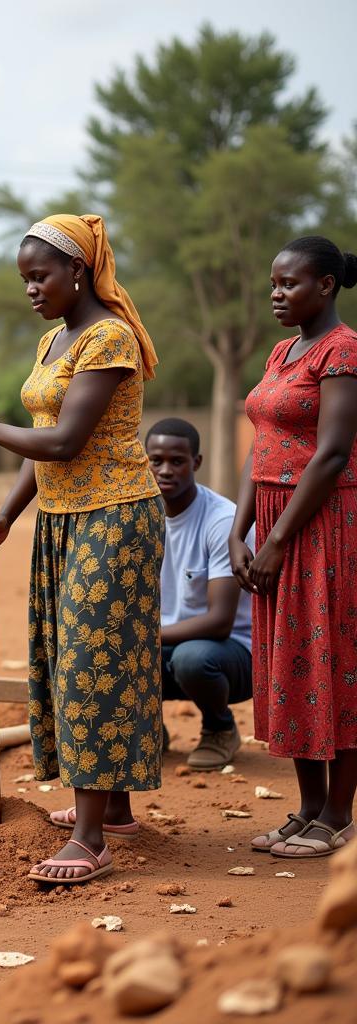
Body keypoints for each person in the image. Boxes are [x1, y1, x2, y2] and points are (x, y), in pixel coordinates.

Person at [0, 214, 163, 885]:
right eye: (25, 278)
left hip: (116, 516)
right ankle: (116, 809)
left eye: (41, 274)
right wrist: (6, 516)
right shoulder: (56, 340)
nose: (32, 288)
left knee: (90, 660)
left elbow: (65, 441)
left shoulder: (109, 337)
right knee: (69, 651)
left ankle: (90, 838)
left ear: (79, 270)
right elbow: (43, 443)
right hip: (64, 517)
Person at [230, 235, 357, 859]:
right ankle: (307, 809)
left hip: (325, 523)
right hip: (275, 520)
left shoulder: (344, 351)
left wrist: (278, 539)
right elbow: (264, 447)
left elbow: (331, 454)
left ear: (326, 286)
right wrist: (239, 530)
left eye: (289, 284)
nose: (276, 294)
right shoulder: (285, 351)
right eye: (274, 283)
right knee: (290, 661)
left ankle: (338, 814)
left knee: (331, 655)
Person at [145, 417, 253, 770]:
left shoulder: (221, 520)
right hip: (165, 645)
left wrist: (145, 637)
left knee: (191, 659)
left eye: (177, 461)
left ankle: (219, 728)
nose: (165, 470)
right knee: (107, 648)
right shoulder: (138, 517)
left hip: (230, 654)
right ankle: (144, 730)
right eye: (155, 460)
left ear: (197, 463)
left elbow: (220, 622)